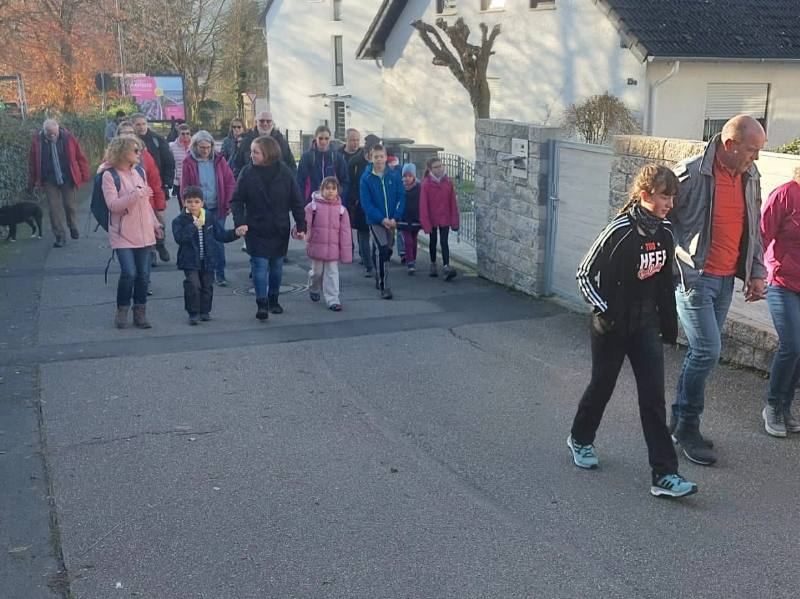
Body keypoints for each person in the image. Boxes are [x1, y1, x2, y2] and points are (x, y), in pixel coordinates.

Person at [570, 164, 697, 498]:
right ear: (644, 195)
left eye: (673, 196)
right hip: (611, 326)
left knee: (653, 398)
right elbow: (584, 274)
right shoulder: (619, 230)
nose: (670, 203)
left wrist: (666, 324)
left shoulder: (665, 232)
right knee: (602, 386)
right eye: (665, 196)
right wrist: (607, 310)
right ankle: (580, 439)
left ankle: (665, 475)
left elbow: (663, 281)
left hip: (646, 326)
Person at [669, 114, 767, 465]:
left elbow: (754, 226)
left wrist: (756, 272)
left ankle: (678, 421)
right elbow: (659, 217)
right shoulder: (691, 173)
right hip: (696, 279)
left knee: (700, 352)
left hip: (726, 281)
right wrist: (674, 263)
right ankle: (688, 427)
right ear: (730, 145)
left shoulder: (750, 176)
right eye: (752, 150)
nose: (756, 157)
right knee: (708, 351)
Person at [231, 135, 307, 319]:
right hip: (255, 227)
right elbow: (237, 200)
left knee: (276, 266)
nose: (251, 155)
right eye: (252, 151)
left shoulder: (285, 172)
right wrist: (240, 222)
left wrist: (301, 225)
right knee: (259, 265)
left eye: (255, 152)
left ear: (267, 153)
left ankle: (274, 299)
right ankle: (262, 303)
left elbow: (296, 200)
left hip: (278, 227)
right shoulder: (247, 172)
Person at [100, 137, 163, 329]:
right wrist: (136, 193)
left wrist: (156, 224)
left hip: (144, 233)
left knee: (143, 274)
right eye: (135, 150)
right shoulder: (109, 175)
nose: (139, 154)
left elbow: (146, 205)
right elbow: (113, 206)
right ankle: (122, 309)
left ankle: (140, 311)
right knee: (129, 273)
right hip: (122, 234)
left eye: (139, 150)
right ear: (122, 152)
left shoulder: (139, 172)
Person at [759, 168, 800, 437]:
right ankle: (772, 406)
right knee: (792, 345)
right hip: (781, 281)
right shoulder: (786, 194)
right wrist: (753, 274)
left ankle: (785, 407)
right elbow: (762, 234)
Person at [172, 186, 242, 325]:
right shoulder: (179, 220)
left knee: (207, 286)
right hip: (190, 260)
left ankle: (205, 311)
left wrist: (235, 233)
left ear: (202, 203)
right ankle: (193, 312)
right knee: (193, 285)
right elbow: (179, 238)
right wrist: (193, 225)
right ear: (184, 202)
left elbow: (220, 234)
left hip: (208, 259)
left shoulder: (208, 217)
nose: (193, 205)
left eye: (196, 202)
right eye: (189, 202)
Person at [181, 130, 236, 286]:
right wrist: (187, 207)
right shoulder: (188, 162)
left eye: (208, 147)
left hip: (217, 206)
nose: (205, 150)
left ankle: (220, 274)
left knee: (218, 239)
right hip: (199, 208)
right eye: (202, 147)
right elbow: (185, 186)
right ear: (195, 146)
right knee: (201, 240)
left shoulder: (219, 160)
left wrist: (229, 202)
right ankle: (204, 272)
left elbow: (230, 182)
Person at [27, 119, 90, 247]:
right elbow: (33, 162)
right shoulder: (38, 141)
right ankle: (59, 236)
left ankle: (72, 225)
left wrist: (85, 174)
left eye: (54, 133)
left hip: (67, 178)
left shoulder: (68, 138)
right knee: (53, 209)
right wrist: (32, 181)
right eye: (48, 133)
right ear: (44, 131)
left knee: (69, 206)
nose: (51, 135)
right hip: (49, 179)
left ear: (58, 129)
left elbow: (80, 156)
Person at [360, 143, 405, 299]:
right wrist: (381, 219)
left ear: (386, 157)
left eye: (381, 156)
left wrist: (395, 217)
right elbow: (366, 203)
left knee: (387, 250)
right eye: (376, 157)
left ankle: (378, 269)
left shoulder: (394, 176)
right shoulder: (366, 178)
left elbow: (401, 196)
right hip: (376, 220)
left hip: (392, 219)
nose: (379, 159)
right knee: (383, 249)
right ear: (370, 158)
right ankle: (384, 286)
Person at [303, 177, 353, 311]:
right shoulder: (312, 207)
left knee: (332, 273)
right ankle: (313, 287)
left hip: (333, 249)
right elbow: (305, 224)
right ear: (321, 189)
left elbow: (346, 234)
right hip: (317, 247)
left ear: (337, 191)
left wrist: (346, 254)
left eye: (333, 188)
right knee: (317, 273)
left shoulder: (342, 211)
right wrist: (300, 232)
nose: (330, 191)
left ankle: (333, 300)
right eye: (327, 188)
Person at [131, 112, 174, 265]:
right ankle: (151, 252)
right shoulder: (129, 144)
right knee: (144, 222)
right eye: (138, 124)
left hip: (157, 185)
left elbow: (169, 161)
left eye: (143, 124)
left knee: (159, 217)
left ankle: (160, 243)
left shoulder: (157, 139)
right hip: (137, 189)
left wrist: (167, 182)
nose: (141, 127)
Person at [420, 156, 459, 281]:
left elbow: (452, 202)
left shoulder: (447, 182)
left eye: (440, 166)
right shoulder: (426, 183)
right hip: (432, 217)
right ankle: (433, 263)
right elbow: (423, 204)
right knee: (433, 241)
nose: (439, 169)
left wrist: (454, 220)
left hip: (444, 216)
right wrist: (425, 222)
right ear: (430, 169)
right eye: (436, 167)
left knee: (444, 241)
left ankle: (446, 266)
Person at [346, 133, 379, 277]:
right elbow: (349, 183)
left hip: (378, 204)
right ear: (366, 151)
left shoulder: (380, 162)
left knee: (378, 236)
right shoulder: (355, 162)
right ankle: (368, 265)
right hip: (361, 203)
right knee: (363, 234)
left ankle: (376, 261)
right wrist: (355, 200)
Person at [296, 125, 349, 205]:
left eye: (326, 138)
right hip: (312, 202)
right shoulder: (307, 156)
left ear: (330, 138)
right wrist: (303, 202)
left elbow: (344, 180)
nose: (323, 142)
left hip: (332, 203)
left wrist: (337, 196)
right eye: (320, 138)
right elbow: (300, 181)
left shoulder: (337, 157)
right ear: (315, 138)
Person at [232, 111, 295, 178]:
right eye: (262, 121)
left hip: (277, 182)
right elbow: (238, 166)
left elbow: (291, 166)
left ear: (272, 123)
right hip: (252, 182)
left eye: (268, 121)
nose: (265, 124)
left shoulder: (281, 142)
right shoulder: (246, 141)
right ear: (256, 122)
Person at [398, 163, 422, 275]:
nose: (407, 178)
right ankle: (410, 262)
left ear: (414, 176)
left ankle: (413, 259)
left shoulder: (419, 188)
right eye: (405, 176)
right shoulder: (400, 188)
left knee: (414, 240)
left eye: (409, 175)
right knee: (408, 241)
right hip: (404, 218)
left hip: (415, 218)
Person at [169, 124, 192, 205]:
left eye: (187, 133)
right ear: (178, 134)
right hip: (179, 180)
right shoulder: (172, 146)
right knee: (183, 204)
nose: (185, 136)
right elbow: (170, 163)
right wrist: (174, 177)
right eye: (183, 133)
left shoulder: (195, 145)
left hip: (193, 179)